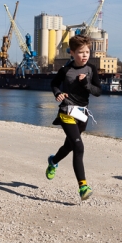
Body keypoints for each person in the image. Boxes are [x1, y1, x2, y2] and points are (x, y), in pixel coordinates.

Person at [45, 34, 102, 201]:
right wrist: (58, 94)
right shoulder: (66, 70)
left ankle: (53, 160)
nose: (84, 55)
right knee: (79, 147)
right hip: (67, 112)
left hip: (82, 113)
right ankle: (83, 186)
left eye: (87, 52)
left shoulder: (91, 69)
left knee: (69, 145)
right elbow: (54, 83)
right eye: (80, 52)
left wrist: (86, 84)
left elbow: (98, 92)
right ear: (72, 52)